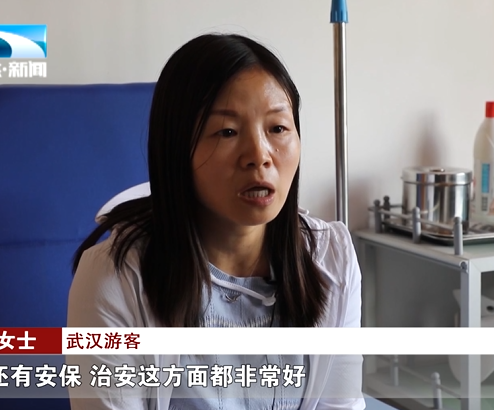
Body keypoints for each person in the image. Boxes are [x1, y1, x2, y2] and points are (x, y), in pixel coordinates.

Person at [66, 33, 365, 410]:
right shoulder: (113, 279)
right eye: (227, 132)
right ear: (177, 150)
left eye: (277, 128)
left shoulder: (331, 259)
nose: (259, 155)